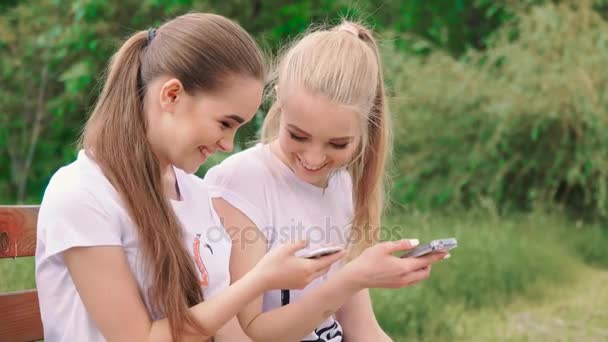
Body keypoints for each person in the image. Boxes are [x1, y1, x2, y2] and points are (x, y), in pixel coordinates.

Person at [34, 13, 343, 342]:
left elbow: (228, 333)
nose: (227, 144)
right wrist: (260, 281)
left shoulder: (197, 195)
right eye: (225, 123)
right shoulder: (83, 194)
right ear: (171, 95)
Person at [206, 21, 450, 342]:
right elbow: (247, 331)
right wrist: (351, 279)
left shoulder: (340, 187)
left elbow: (362, 329)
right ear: (278, 100)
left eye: (338, 144)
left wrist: (354, 279)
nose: (314, 158)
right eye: (298, 135)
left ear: (366, 127)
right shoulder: (240, 182)